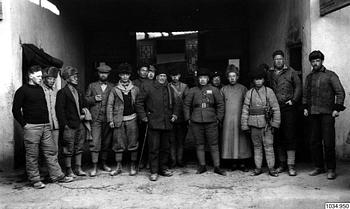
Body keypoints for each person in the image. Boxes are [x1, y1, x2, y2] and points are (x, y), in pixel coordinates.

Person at [12, 65, 73, 189]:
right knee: (32, 155)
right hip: (32, 128)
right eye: (38, 76)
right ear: (30, 75)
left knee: (51, 152)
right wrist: (25, 125)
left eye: (41, 76)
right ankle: (35, 180)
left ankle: (57, 176)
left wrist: (48, 123)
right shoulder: (22, 91)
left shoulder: (40, 89)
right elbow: (15, 110)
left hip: (46, 126)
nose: (41, 78)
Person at [303, 50, 345, 180]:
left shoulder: (331, 75)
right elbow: (305, 94)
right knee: (314, 142)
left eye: (317, 61)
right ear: (311, 63)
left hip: (327, 114)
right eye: (313, 61)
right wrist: (305, 107)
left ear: (322, 61)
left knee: (328, 142)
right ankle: (319, 167)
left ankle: (331, 169)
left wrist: (337, 108)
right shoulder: (309, 77)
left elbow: (340, 92)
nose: (315, 63)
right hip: (313, 114)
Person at [135, 66, 180, 181]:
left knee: (165, 148)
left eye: (164, 76)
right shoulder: (149, 87)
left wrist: (175, 115)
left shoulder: (170, 88)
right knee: (154, 148)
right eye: (160, 76)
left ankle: (163, 168)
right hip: (153, 123)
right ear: (156, 76)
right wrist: (144, 117)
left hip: (167, 123)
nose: (162, 78)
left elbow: (176, 103)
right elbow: (139, 102)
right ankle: (154, 171)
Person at [183, 68, 226, 176]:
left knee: (214, 144)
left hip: (211, 120)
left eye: (205, 78)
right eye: (200, 78)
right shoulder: (193, 90)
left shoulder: (214, 90)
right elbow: (186, 105)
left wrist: (219, 118)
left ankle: (217, 166)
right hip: (196, 120)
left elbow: (220, 104)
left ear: (208, 79)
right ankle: (202, 166)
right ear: (198, 79)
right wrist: (188, 118)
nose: (202, 80)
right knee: (199, 144)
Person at [267, 50, 301, 176]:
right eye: (276, 59)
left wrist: (294, 100)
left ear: (284, 60)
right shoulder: (269, 73)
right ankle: (282, 164)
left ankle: (291, 165)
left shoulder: (291, 72)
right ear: (273, 60)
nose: (279, 61)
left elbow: (298, 86)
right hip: (275, 108)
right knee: (278, 136)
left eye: (281, 59)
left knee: (290, 136)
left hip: (288, 108)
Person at [241, 66, 281, 177]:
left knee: (269, 146)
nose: (258, 81)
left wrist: (275, 123)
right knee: (257, 147)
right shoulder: (250, 93)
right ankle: (258, 168)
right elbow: (245, 109)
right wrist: (244, 125)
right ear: (253, 80)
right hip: (253, 124)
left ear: (264, 80)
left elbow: (275, 108)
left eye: (260, 79)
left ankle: (271, 168)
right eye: (256, 79)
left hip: (267, 124)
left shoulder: (269, 92)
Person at [107, 63, 139, 176]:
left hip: (132, 119)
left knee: (133, 142)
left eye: (127, 74)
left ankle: (133, 165)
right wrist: (110, 120)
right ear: (119, 75)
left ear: (130, 75)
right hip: (118, 120)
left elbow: (139, 104)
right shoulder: (114, 90)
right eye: (123, 74)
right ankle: (119, 166)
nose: (125, 77)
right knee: (118, 143)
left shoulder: (135, 89)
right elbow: (110, 105)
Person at [56, 66, 87, 178]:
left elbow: (83, 104)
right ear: (67, 78)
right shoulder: (62, 92)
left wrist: (83, 112)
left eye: (76, 76)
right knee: (68, 148)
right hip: (69, 125)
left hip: (80, 124)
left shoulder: (79, 91)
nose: (76, 78)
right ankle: (69, 170)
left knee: (79, 146)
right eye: (73, 76)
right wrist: (65, 125)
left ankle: (78, 168)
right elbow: (60, 111)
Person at [85, 62, 114, 176]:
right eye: (101, 73)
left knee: (106, 143)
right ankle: (94, 166)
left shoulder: (112, 86)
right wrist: (93, 99)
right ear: (98, 73)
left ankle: (104, 164)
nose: (103, 75)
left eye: (105, 73)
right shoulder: (92, 86)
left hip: (107, 118)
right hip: (95, 118)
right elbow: (85, 100)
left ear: (108, 74)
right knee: (95, 142)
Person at [221, 65, 251, 172]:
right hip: (228, 120)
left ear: (237, 77)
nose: (232, 78)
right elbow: (220, 105)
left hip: (240, 118)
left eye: (234, 76)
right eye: (230, 76)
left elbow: (247, 104)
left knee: (241, 140)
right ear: (227, 78)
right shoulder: (223, 89)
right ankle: (233, 162)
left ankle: (242, 162)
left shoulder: (243, 89)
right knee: (230, 140)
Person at [169, 66, 189, 168]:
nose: (175, 77)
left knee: (181, 140)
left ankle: (180, 160)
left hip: (182, 118)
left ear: (179, 75)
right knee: (172, 141)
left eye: (176, 75)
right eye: (173, 76)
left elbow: (187, 102)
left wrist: (187, 117)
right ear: (170, 76)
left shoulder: (185, 87)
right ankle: (173, 160)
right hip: (171, 117)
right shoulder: (167, 86)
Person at [41, 67, 60, 150]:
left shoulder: (56, 91)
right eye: (49, 78)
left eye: (54, 79)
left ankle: (54, 163)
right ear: (44, 79)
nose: (52, 81)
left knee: (55, 147)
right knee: (44, 148)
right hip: (44, 124)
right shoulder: (39, 90)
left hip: (55, 124)